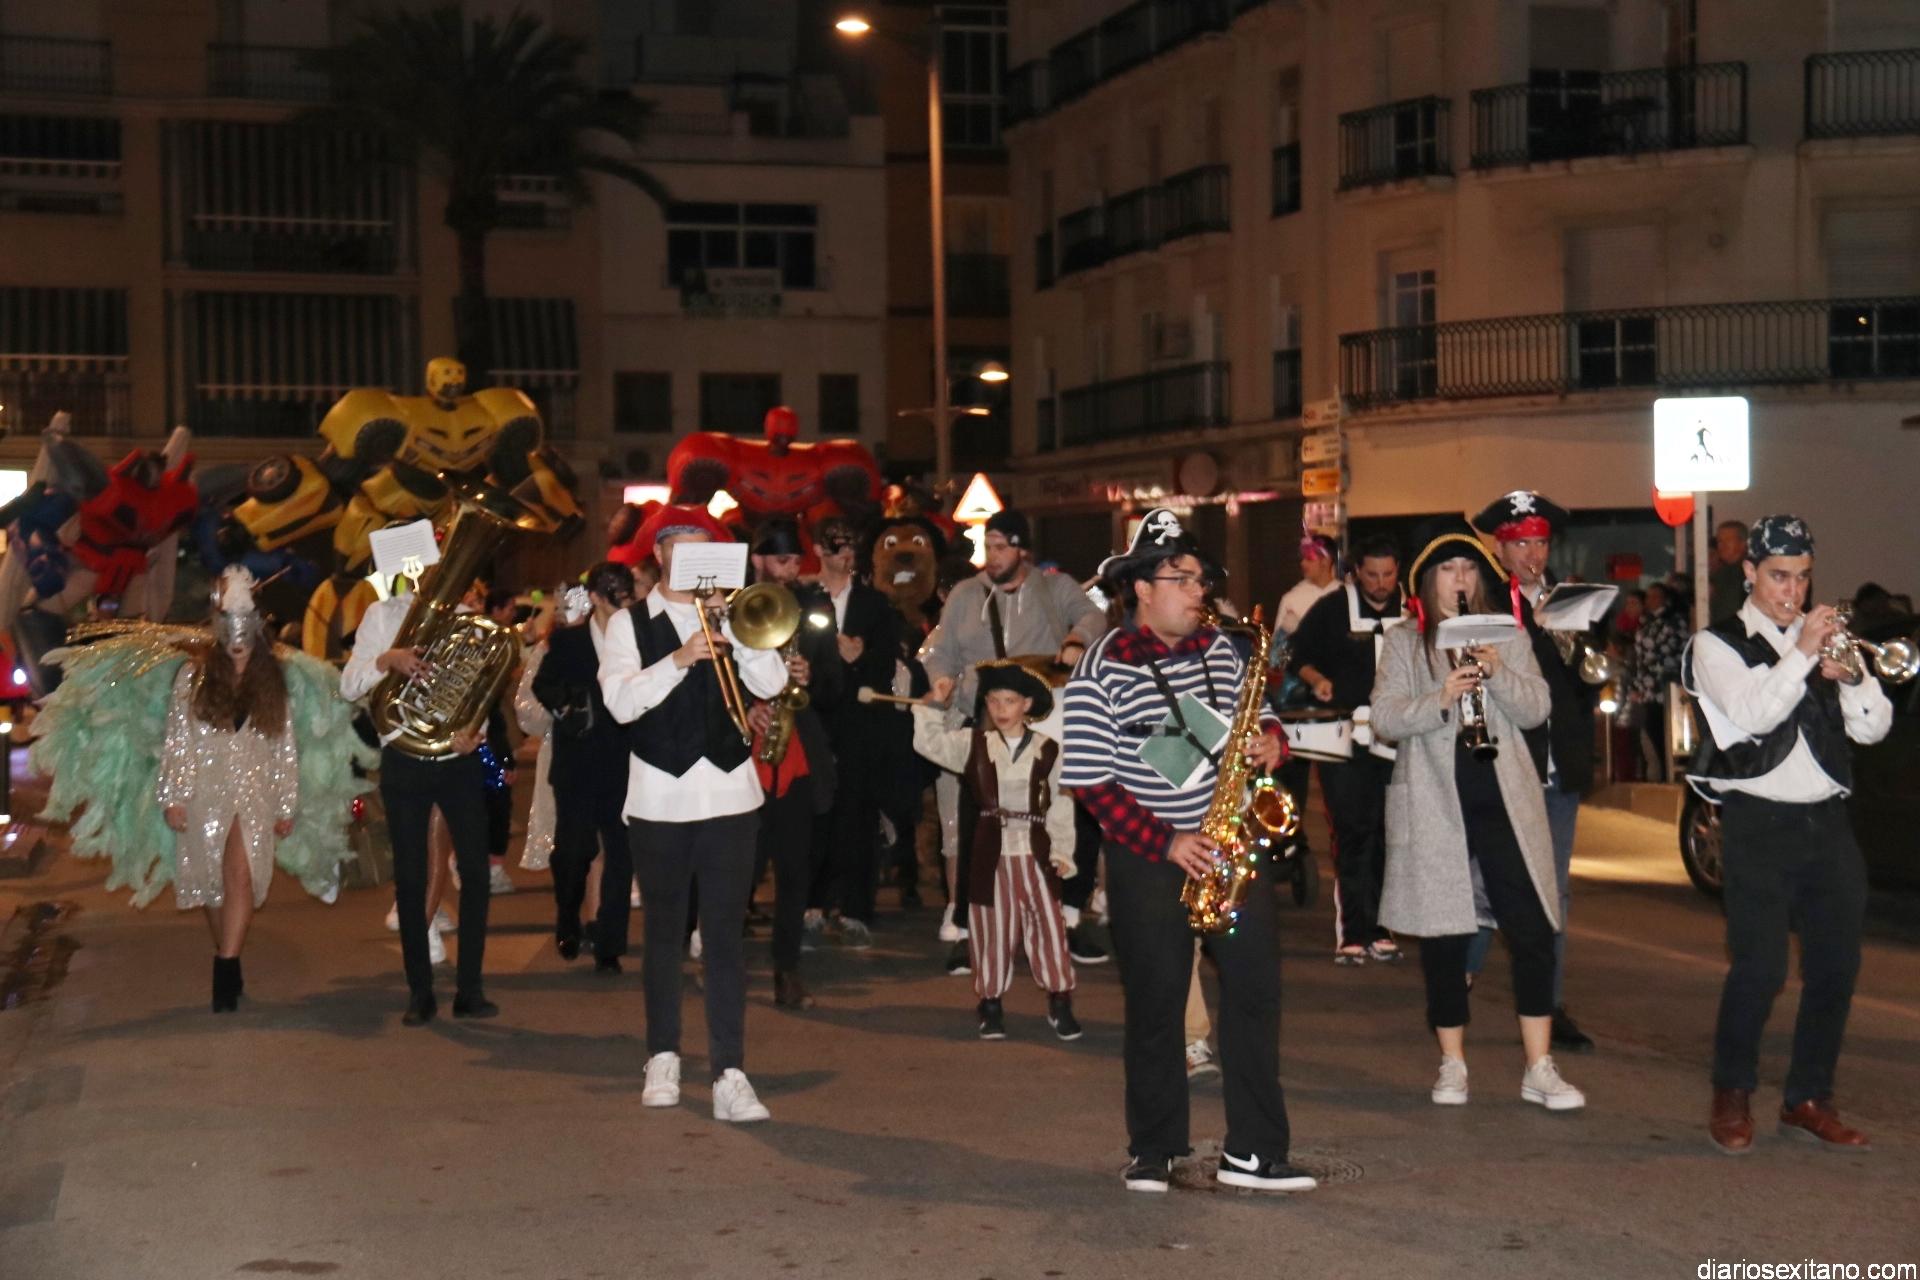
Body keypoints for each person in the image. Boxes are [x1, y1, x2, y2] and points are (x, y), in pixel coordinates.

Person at [1062, 507, 1315, 1195]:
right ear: (1143, 588)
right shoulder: (1101, 666)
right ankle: (1154, 1148)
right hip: (1150, 856)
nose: (1198, 591)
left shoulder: (1224, 651)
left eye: (1201, 579)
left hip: (1230, 845)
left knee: (1256, 994)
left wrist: (1272, 742)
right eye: (1182, 578)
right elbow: (1089, 780)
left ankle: (1255, 1152)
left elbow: (1261, 716)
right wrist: (1167, 841)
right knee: (1157, 1002)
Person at [32, 566, 371, 1011]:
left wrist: (286, 803)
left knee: (240, 875)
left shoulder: (274, 680)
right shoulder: (193, 677)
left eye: (246, 630)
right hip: (204, 792)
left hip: (254, 791)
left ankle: (225, 967)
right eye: (230, 629)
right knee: (213, 885)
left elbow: (283, 746)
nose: (238, 641)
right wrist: (173, 795)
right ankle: (228, 952)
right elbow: (179, 740)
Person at [1685, 515, 1889, 1154]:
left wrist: (1851, 678)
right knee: (1761, 967)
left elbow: (1874, 727)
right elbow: (1752, 714)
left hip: (1826, 822)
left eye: (1802, 578)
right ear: (1749, 572)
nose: (1792, 592)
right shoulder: (1716, 644)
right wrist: (1801, 653)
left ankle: (1809, 1097)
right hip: (1758, 821)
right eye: (1778, 576)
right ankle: (1732, 1092)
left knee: (1836, 968)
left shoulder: (1824, 641)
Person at [1370, 516, 1586, 1114]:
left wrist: (1497, 672)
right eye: (1448, 569)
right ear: (1429, 579)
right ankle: (1453, 1061)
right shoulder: (1406, 641)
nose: (1460, 579)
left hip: (1506, 802)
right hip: (1437, 803)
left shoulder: (1506, 633)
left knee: (1533, 930)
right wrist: (1440, 698)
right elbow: (1384, 717)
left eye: (1468, 567)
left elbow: (1538, 707)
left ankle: (1539, 1066)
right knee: (1445, 937)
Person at [598, 504, 794, 1124]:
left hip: (731, 798)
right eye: (676, 546)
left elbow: (770, 682)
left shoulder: (732, 613)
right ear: (658, 555)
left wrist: (733, 628)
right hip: (659, 798)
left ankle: (730, 1073)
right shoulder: (628, 624)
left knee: (725, 940)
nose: (687, 557)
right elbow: (620, 703)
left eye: (699, 546)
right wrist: (681, 658)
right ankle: (662, 1056)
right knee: (663, 935)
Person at [923, 509, 1107, 972]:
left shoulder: (1054, 587)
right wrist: (942, 679)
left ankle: (1067, 917)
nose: (993, 555)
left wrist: (1076, 639)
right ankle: (970, 928)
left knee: (1065, 815)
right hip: (986, 722)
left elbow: (1093, 615)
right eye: (988, 546)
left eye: (1002, 547)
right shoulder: (966, 594)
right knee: (979, 822)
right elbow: (940, 650)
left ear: (1023, 549)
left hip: (1044, 723)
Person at [1468, 490, 1598, 1054]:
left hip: (1557, 764)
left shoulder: (1568, 600)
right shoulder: (1485, 604)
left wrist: (1582, 650)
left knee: (1554, 890)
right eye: (1521, 544)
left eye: (1541, 542)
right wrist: (1537, 631)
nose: (1534, 554)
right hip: (1506, 765)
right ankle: (1458, 982)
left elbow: (1586, 683)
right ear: (1500, 549)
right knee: (1484, 886)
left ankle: (1548, 1001)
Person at [342, 571, 497, 1026]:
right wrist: (387, 659)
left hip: (456, 759)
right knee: (409, 877)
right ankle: (420, 992)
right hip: (404, 757)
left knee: (475, 872)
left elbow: (479, 690)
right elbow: (349, 686)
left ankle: (470, 989)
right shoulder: (381, 615)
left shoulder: (466, 619)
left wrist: (476, 732)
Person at [914, 661, 1079, 1042]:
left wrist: (1062, 852)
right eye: (994, 701)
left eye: (1010, 701)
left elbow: (1061, 803)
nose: (1001, 709)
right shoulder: (973, 745)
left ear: (1026, 705)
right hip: (991, 854)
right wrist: (933, 705)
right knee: (991, 928)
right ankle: (990, 1003)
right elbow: (930, 744)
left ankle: (1059, 999)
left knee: (1049, 927)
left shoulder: (1049, 750)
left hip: (1036, 854)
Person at [1287, 533, 1408, 965]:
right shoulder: (1332, 608)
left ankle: (1381, 926)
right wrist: (1318, 680)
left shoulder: (1412, 610)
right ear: (1356, 573)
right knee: (1353, 830)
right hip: (1345, 737)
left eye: (1388, 575)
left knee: (1389, 832)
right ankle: (1354, 930)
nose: (1381, 583)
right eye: (1372, 575)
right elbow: (1296, 654)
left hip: (1398, 736)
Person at [745, 518, 842, 1010]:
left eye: (794, 561)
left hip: (796, 754)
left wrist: (811, 676)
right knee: (738, 868)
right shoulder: (732, 606)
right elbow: (714, 675)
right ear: (758, 559)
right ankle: (718, 957)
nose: (789, 570)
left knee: (794, 869)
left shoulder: (813, 606)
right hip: (742, 758)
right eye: (780, 560)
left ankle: (787, 969)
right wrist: (746, 707)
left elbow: (834, 685)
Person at [533, 564, 639, 973]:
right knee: (573, 853)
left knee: (620, 856)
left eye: (627, 593)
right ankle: (567, 915)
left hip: (624, 763)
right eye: (614, 594)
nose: (623, 601)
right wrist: (568, 704)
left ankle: (609, 944)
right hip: (577, 763)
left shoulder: (639, 637)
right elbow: (542, 684)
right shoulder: (569, 641)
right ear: (595, 597)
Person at [812, 514, 904, 951]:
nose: (846, 553)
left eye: (852, 546)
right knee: (813, 815)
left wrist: (861, 656)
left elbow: (887, 665)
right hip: (813, 718)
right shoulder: (803, 598)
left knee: (858, 814)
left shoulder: (875, 604)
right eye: (838, 545)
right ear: (819, 550)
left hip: (859, 723)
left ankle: (854, 909)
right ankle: (811, 904)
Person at [1630, 582, 1686, 782]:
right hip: (1648, 689)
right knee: (1652, 733)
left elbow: (1669, 650)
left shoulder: (1673, 621)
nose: (1650, 600)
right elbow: (1640, 657)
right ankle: (1662, 776)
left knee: (1666, 734)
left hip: (1666, 688)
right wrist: (1637, 684)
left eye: (1655, 596)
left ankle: (1670, 776)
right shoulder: (1646, 622)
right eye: (1649, 596)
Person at [1274, 533, 1340, 637]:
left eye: (1309, 559)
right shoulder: (1291, 599)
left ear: (1326, 561)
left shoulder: (1345, 594)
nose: (1303, 563)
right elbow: (1278, 644)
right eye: (1303, 558)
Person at [1708, 519, 1749, 624]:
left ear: (1743, 543)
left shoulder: (1750, 572)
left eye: (1728, 541)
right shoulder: (1721, 573)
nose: (1722, 546)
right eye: (1720, 541)